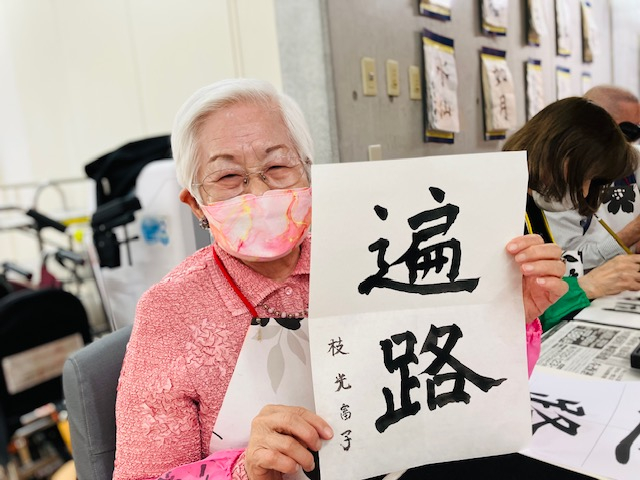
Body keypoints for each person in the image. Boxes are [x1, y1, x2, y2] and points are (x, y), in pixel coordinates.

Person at [114, 78, 568, 480]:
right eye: (229, 176)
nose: (260, 192)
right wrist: (245, 471)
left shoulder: (371, 256)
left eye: (277, 167)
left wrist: (507, 314)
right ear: (196, 204)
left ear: (309, 175)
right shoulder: (170, 311)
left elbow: (452, 383)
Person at [503, 96, 639, 331]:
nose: (585, 192)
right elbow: (510, 314)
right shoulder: (504, 205)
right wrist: (587, 286)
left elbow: (556, 267)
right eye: (585, 177)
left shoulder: (532, 205)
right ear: (558, 153)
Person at [545, 86, 640, 270]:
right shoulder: (556, 181)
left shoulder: (633, 160)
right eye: (628, 131)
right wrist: (631, 234)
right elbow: (566, 263)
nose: (629, 142)